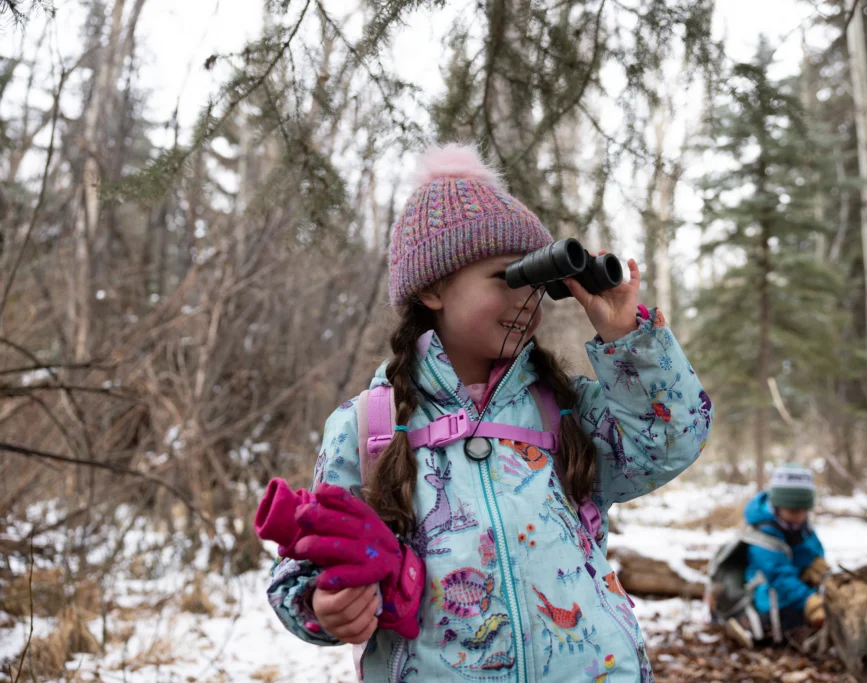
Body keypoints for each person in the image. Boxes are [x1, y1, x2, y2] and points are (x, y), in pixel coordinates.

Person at [264, 143, 713, 682]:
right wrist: (322, 605)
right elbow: (308, 553)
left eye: (536, 283)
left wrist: (624, 334)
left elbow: (670, 440)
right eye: (507, 278)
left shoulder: (564, 409)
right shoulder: (368, 427)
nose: (529, 300)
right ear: (433, 288)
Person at [725, 464, 829, 648]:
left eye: (804, 511)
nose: (799, 516)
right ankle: (748, 624)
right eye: (793, 511)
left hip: (794, 584)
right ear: (777, 506)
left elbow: (811, 547)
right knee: (782, 610)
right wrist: (809, 602)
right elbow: (778, 575)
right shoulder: (762, 533)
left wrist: (814, 563)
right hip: (767, 591)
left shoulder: (801, 526)